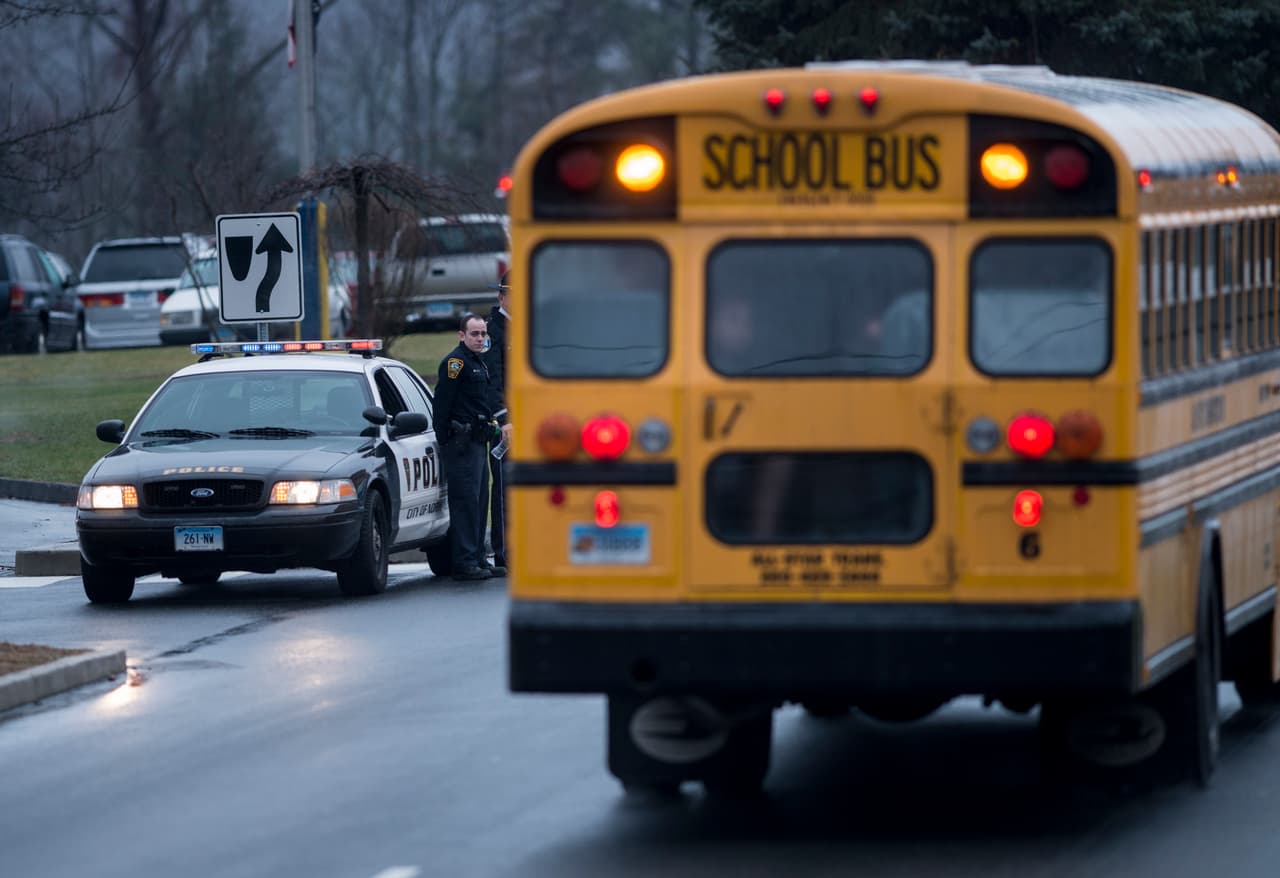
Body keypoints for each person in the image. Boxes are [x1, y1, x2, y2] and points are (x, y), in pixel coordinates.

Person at [433, 313, 508, 580]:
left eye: (483, 334)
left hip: (478, 441)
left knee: (479, 501)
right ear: (461, 335)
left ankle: (479, 558)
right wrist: (445, 440)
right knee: (465, 503)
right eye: (474, 334)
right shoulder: (456, 363)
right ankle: (464, 562)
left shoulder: (479, 362)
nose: (479, 338)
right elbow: (442, 404)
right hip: (461, 444)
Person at [483, 271, 513, 569]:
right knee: (505, 485)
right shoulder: (494, 332)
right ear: (501, 297)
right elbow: (493, 382)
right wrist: (503, 419)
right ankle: (504, 550)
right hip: (507, 424)